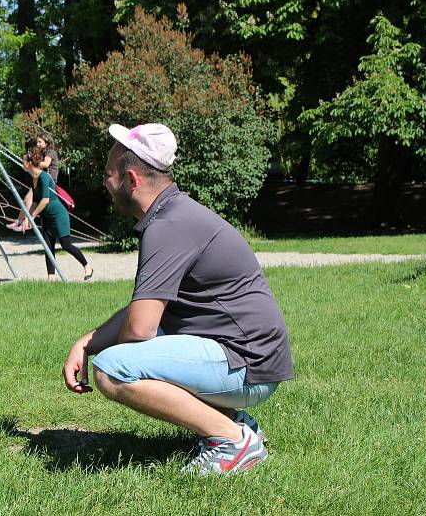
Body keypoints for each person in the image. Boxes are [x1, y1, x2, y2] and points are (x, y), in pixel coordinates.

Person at [62, 123, 293, 475]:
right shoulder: (173, 214)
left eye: (109, 175)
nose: (105, 184)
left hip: (248, 364)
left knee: (111, 370)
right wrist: (86, 342)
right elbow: (144, 311)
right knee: (124, 353)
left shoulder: (168, 225)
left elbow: (139, 328)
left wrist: (110, 351)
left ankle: (233, 439)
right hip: (249, 357)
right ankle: (234, 420)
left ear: (132, 180)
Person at [22, 146, 93, 281]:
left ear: (30, 162)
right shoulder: (34, 178)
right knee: (48, 248)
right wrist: (26, 218)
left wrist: (32, 216)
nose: (22, 163)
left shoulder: (44, 177)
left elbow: (45, 200)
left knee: (66, 245)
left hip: (58, 216)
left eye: (24, 160)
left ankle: (87, 266)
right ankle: (51, 278)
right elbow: (35, 202)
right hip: (46, 218)